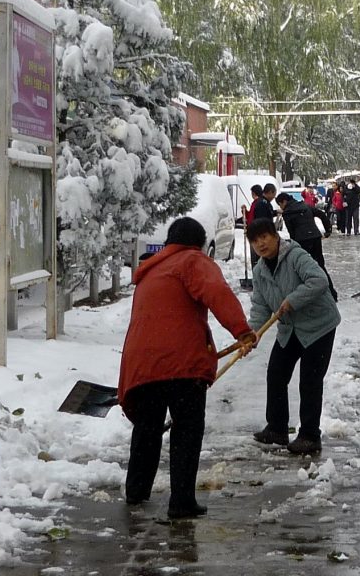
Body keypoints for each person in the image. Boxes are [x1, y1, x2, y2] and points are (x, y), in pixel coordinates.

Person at [118, 217, 258, 519]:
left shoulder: (152, 270)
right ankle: (181, 501)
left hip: (142, 363)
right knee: (186, 430)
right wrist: (243, 332)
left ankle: (136, 492)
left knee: (147, 428)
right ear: (197, 243)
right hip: (181, 363)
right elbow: (216, 292)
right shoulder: (192, 260)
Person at [245, 219, 341, 456]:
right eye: (255, 241)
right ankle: (276, 428)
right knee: (276, 374)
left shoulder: (296, 256)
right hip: (290, 329)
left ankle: (310, 436)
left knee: (309, 380)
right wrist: (251, 333)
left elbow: (319, 281)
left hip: (319, 325)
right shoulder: (260, 271)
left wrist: (293, 299)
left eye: (264, 237)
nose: (261, 244)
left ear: (275, 236)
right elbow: (259, 306)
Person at [274, 192, 337, 301]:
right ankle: (331, 293)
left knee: (304, 268)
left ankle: (311, 294)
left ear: (284, 201)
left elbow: (291, 232)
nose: (281, 207)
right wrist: (328, 230)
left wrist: (294, 246)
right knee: (320, 266)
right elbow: (321, 215)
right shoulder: (305, 205)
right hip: (315, 238)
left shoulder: (287, 213)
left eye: (280, 205)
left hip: (302, 241)